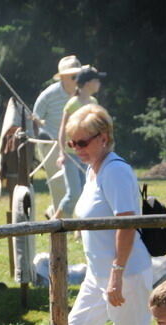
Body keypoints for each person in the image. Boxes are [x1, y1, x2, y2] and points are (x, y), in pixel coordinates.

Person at [65, 104, 153, 325]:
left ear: (103, 138)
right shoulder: (93, 169)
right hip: (97, 274)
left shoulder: (115, 170)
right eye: (72, 143)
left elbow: (126, 224)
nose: (77, 149)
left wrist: (117, 274)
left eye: (82, 142)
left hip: (126, 274)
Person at [32, 56, 81, 217]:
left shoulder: (83, 93)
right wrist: (43, 137)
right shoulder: (49, 95)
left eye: (78, 75)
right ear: (63, 78)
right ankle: (63, 222)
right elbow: (35, 118)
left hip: (78, 144)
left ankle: (56, 213)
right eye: (73, 76)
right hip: (52, 144)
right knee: (59, 184)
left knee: (80, 185)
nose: (77, 79)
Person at [56, 66, 105, 221]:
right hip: (72, 154)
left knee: (87, 191)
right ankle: (55, 220)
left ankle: (80, 226)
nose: (99, 84)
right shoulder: (72, 104)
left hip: (89, 154)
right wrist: (61, 153)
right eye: (96, 80)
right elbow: (63, 129)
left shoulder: (94, 102)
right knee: (74, 193)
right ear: (88, 83)